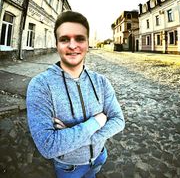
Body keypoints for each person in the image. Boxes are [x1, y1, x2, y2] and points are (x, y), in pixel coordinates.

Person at [26, 10, 125, 178]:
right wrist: (96, 122)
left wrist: (71, 134)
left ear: (87, 43)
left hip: (99, 157)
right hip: (69, 168)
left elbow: (118, 121)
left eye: (79, 38)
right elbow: (48, 146)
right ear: (56, 43)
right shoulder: (41, 85)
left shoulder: (101, 82)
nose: (72, 45)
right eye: (65, 39)